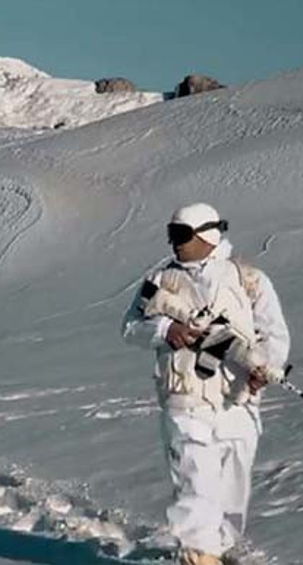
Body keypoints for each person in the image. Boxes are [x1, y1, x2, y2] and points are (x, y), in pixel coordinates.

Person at [122, 203, 290, 565]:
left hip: (238, 403)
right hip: (185, 402)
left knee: (232, 492)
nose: (175, 244)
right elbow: (131, 327)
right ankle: (198, 557)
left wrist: (264, 369)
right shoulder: (159, 282)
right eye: (172, 235)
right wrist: (168, 330)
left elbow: (274, 335)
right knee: (196, 490)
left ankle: (219, 550)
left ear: (207, 235)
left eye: (181, 235)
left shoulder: (249, 279)